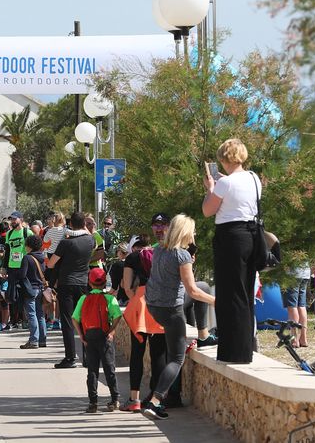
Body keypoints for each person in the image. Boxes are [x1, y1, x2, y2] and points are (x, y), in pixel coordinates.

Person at [142, 214, 215, 420]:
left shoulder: (159, 249)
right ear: (185, 232)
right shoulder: (181, 255)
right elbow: (193, 292)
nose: (194, 235)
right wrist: (218, 302)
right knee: (176, 358)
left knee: (203, 285)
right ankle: (155, 402)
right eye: (192, 231)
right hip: (170, 309)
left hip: (154, 305)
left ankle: (202, 334)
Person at [202, 138, 260, 364]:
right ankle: (246, 348)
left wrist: (210, 190)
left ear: (224, 158)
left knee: (229, 294)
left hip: (230, 237)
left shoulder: (225, 184)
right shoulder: (254, 178)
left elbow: (208, 210)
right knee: (245, 292)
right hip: (250, 236)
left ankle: (232, 351)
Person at [119, 232, 166, 412]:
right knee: (158, 354)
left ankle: (134, 399)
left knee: (137, 354)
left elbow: (127, 286)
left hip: (140, 304)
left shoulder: (132, 258)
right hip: (159, 303)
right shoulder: (161, 254)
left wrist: (136, 298)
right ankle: (156, 398)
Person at [48, 212, 94, 369]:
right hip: (83, 283)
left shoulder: (65, 243)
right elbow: (88, 233)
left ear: (71, 225)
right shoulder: (90, 240)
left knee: (67, 321)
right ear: (84, 225)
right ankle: (88, 358)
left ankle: (70, 358)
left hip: (66, 284)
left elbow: (51, 264)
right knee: (84, 320)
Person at [74, 267, 122, 413]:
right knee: (109, 369)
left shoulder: (84, 298)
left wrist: (81, 336)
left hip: (89, 338)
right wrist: (112, 331)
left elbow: (75, 318)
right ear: (104, 283)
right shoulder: (109, 298)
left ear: (90, 282)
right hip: (104, 337)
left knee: (92, 371)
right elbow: (118, 316)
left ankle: (93, 403)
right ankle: (114, 400)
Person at [17, 235, 47, 349]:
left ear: (29, 246)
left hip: (30, 289)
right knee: (40, 315)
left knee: (31, 315)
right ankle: (42, 339)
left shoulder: (27, 258)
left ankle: (33, 340)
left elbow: (22, 275)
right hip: (40, 289)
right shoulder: (42, 258)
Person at [285, 262, 311, 347]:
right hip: (305, 272)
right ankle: (303, 339)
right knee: (301, 306)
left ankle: (295, 339)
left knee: (292, 306)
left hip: (292, 274)